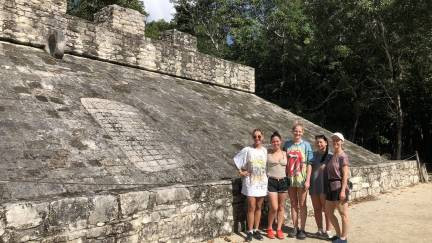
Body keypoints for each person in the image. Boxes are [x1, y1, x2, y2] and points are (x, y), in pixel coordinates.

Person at [234, 129, 268, 242]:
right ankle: (249, 231)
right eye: (255, 137)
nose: (257, 138)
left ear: (262, 137)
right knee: (251, 207)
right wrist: (241, 172)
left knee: (259, 207)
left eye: (259, 136)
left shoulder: (265, 151)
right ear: (252, 138)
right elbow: (236, 160)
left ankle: (256, 229)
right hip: (250, 182)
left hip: (262, 182)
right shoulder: (247, 150)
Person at [283, 122, 313, 240]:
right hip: (291, 178)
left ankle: (302, 229)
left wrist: (308, 180)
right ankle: (295, 228)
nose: (298, 133)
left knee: (302, 204)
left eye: (300, 131)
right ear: (292, 131)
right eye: (296, 131)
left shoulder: (306, 145)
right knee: (294, 204)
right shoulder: (287, 144)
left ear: (303, 132)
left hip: (302, 178)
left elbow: (310, 163)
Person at [325, 132, 350, 243]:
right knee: (329, 212)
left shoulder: (343, 156)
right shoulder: (332, 155)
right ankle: (339, 234)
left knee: (343, 214)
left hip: (339, 187)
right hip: (330, 187)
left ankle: (343, 238)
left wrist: (343, 190)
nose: (335, 141)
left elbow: (345, 174)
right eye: (334, 139)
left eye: (337, 140)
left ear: (342, 142)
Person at [307, 135, 333, 239]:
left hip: (325, 186)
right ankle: (319, 229)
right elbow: (309, 167)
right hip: (314, 185)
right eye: (317, 142)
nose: (319, 144)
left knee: (327, 210)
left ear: (326, 143)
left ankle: (328, 230)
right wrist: (308, 181)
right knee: (317, 209)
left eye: (321, 142)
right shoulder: (313, 155)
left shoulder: (330, 156)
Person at [266, 131, 289, 239]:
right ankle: (269, 228)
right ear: (271, 142)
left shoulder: (285, 153)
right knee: (274, 207)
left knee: (281, 207)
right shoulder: (268, 154)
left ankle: (279, 229)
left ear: (280, 142)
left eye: (277, 141)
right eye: (273, 141)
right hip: (272, 182)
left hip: (283, 182)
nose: (276, 143)